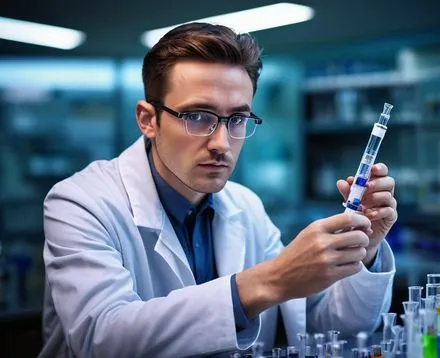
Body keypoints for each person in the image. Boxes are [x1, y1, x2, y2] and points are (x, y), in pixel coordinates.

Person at [40, 22, 397, 357]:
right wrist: (269, 281)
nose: (222, 143)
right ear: (148, 119)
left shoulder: (246, 206)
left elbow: (326, 328)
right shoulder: (80, 203)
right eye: (198, 116)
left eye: (237, 119)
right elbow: (100, 339)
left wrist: (366, 247)